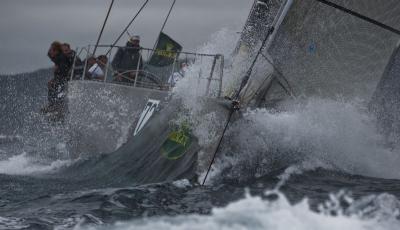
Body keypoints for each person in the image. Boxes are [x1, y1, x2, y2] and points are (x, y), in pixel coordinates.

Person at [42, 41, 72, 113]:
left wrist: (54, 80)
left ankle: (55, 105)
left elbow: (63, 72)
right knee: (52, 84)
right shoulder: (58, 58)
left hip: (64, 80)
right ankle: (54, 105)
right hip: (62, 80)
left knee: (52, 85)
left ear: (56, 51)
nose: (50, 51)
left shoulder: (61, 58)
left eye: (51, 50)